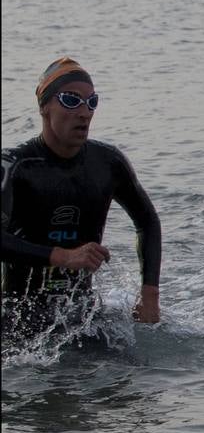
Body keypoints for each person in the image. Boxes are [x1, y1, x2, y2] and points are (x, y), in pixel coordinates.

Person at [2, 57, 162, 339]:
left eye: (92, 102)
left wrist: (149, 295)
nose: (84, 112)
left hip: (82, 315)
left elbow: (147, 221)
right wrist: (62, 256)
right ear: (44, 107)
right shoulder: (15, 166)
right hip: (17, 320)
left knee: (132, 376)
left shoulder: (109, 163)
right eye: (71, 100)